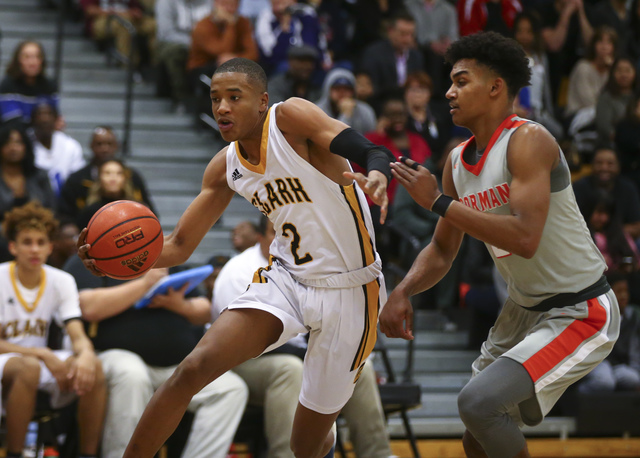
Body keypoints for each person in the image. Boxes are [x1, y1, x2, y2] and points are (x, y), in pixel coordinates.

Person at [78, 57, 393, 458]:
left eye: (233, 97)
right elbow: (177, 247)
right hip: (289, 279)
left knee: (305, 445)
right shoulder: (224, 167)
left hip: (351, 288)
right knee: (192, 370)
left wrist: (378, 171)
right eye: (214, 99)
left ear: (262, 101)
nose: (222, 107)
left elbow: (366, 148)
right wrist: (113, 263)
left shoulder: (290, 119)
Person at [380, 32, 620, 457]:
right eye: (450, 82)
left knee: (478, 404)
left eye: (461, 80)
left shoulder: (529, 140)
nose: (449, 92)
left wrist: (438, 201)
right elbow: (441, 250)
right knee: (477, 434)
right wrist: (403, 290)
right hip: (521, 310)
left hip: (579, 309)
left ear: (495, 87)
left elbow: (525, 238)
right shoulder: (456, 160)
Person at [214, 216, 393, 458]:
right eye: (272, 232)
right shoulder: (239, 270)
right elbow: (241, 342)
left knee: (359, 364)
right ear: (260, 237)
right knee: (291, 369)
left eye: (287, 232)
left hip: (297, 352)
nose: (281, 239)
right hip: (239, 361)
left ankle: (377, 454)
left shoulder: (308, 266)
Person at [64, 256, 249, 458]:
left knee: (231, 388)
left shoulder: (165, 259)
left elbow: (205, 310)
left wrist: (179, 305)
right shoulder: (98, 258)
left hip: (175, 365)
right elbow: (88, 307)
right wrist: (145, 284)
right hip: (116, 356)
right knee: (132, 374)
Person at [0, 202, 106, 458]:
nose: (34, 248)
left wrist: (86, 356)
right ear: (13, 247)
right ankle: (14, 453)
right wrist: (43, 354)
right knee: (29, 367)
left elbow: (76, 332)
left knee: (95, 369)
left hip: (34, 359)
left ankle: (86, 454)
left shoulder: (61, 280)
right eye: (27, 242)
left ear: (50, 247)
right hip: (12, 360)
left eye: (40, 242)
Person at [58, 126, 154, 221]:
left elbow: (152, 215)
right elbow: (65, 217)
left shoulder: (133, 177)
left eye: (109, 144)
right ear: (99, 180)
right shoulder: (76, 180)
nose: (104, 148)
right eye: (99, 144)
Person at [578, 271, 640, 393]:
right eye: (619, 291)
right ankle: (575, 398)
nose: (623, 296)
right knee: (605, 382)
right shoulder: (599, 314)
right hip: (598, 361)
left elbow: (634, 348)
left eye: (625, 291)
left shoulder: (633, 316)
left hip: (620, 364)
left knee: (634, 379)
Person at [359, 11, 424, 109]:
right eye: (403, 34)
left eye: (411, 34)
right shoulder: (374, 54)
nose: (407, 39)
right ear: (390, 31)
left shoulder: (416, 56)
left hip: (410, 106)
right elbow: (373, 90)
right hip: (382, 106)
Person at [154, 0, 212, 111]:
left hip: (205, 43)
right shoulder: (165, 2)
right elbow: (167, 33)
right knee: (175, 52)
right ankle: (181, 97)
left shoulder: (210, 2)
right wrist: (195, 43)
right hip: (174, 43)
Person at [572, 146, 640, 240]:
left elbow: (636, 227)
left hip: (619, 242)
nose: (604, 167)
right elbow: (571, 224)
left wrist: (607, 235)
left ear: (618, 166)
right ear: (591, 165)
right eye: (599, 163)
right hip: (585, 241)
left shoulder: (628, 188)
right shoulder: (578, 187)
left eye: (610, 164)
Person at [0, 40, 61, 129]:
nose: (32, 62)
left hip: (42, 136)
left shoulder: (50, 86)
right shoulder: (8, 85)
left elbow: (54, 118)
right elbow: (12, 122)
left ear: (42, 61)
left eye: (37, 57)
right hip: (15, 136)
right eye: (27, 57)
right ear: (18, 60)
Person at [30, 103, 86, 197]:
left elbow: (79, 178)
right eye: (40, 114)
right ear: (32, 119)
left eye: (49, 114)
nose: (45, 119)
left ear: (56, 118)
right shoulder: (25, 145)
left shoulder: (70, 145)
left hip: (66, 201)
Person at [75, 158, 143, 229]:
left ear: (124, 178)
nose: (113, 178)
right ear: (99, 179)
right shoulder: (89, 212)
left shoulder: (137, 209)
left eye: (118, 173)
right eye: (107, 173)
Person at [315, 68, 377, 135]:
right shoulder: (317, 111)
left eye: (347, 89)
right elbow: (335, 140)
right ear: (328, 90)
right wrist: (346, 115)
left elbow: (371, 139)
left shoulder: (365, 111)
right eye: (337, 88)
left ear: (353, 92)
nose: (342, 93)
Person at [595, 56, 638, 148]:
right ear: (612, 73)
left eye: (628, 71)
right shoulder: (606, 97)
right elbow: (605, 127)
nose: (624, 74)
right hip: (611, 146)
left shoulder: (637, 97)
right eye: (619, 71)